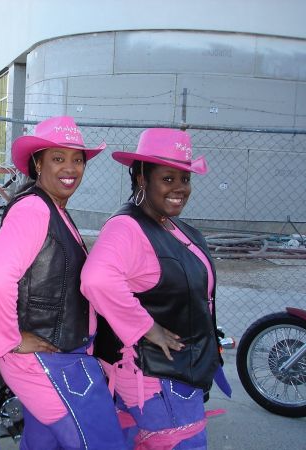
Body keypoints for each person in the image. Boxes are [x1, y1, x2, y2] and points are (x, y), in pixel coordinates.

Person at [0, 116, 126, 449]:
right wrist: (9, 338)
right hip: (47, 362)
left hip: (58, 355)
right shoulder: (34, 209)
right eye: (58, 158)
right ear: (37, 163)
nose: (70, 168)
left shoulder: (53, 207)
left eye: (77, 159)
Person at [81, 128, 231, 449]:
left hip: (176, 375)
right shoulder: (128, 227)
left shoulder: (175, 226)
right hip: (158, 380)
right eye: (167, 179)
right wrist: (147, 327)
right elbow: (96, 280)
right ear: (141, 178)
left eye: (185, 179)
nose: (180, 188)